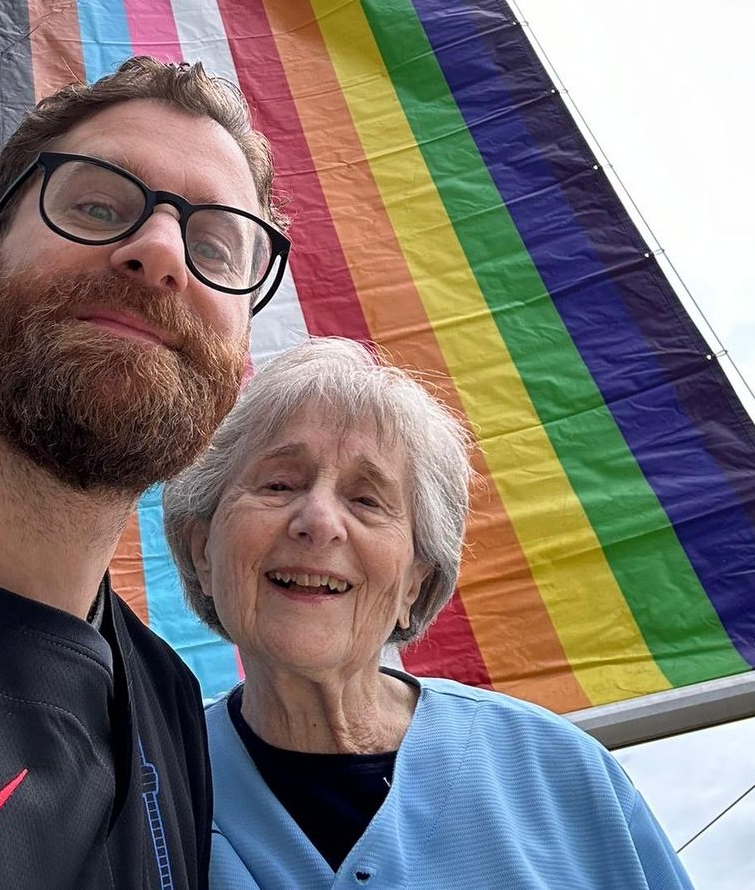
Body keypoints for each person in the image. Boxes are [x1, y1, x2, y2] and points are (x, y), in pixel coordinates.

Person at [0, 57, 290, 890]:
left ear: (233, 381)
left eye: (214, 246)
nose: (161, 251)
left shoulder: (167, 696)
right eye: (97, 204)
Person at [163, 337, 695, 890]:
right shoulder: (141, 792)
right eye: (279, 484)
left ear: (415, 584)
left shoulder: (561, 772)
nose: (319, 520)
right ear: (204, 551)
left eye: (367, 500)